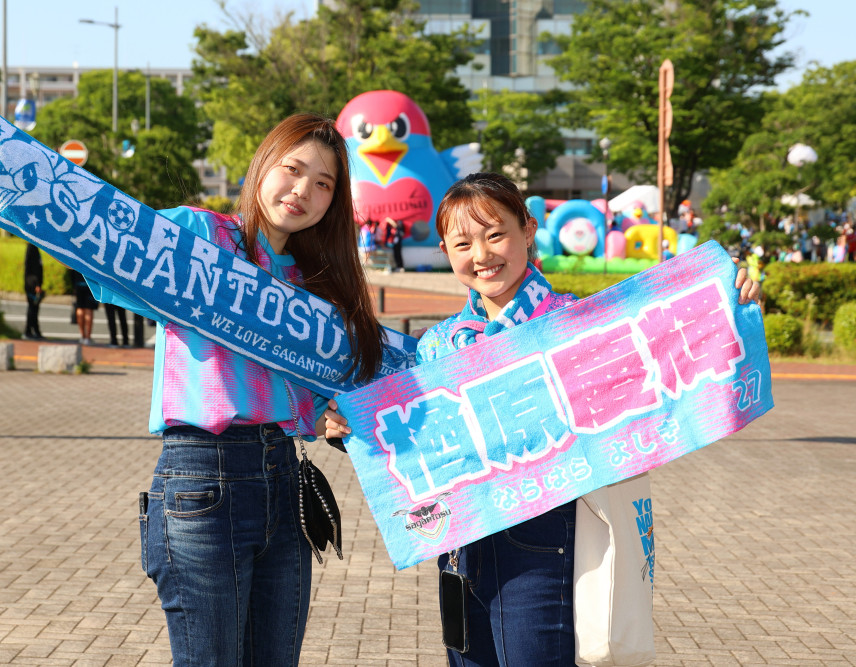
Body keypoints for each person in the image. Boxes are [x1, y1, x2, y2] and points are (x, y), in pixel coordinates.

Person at [0, 112, 386, 667]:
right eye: (293, 169)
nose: (304, 190)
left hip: (284, 479)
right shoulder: (200, 237)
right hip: (203, 480)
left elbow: (324, 388)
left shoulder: (315, 282)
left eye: (324, 183)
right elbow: (93, 227)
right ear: (262, 165)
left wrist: (329, 415)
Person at [325, 172, 759, 667]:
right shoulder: (440, 344)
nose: (481, 254)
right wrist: (348, 429)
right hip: (461, 548)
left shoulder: (580, 323)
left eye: (495, 234)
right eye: (463, 243)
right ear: (444, 249)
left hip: (545, 539)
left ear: (528, 229)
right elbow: (411, 433)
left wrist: (732, 299)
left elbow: (658, 358)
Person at [71, 268, 98, 345]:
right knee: (89, 309)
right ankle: (87, 337)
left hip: (78, 283)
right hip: (90, 283)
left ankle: (82, 336)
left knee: (80, 308)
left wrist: (73, 284)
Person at [23, 242, 43, 340]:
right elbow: (31, 268)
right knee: (32, 308)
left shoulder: (35, 247)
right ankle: (28, 331)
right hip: (32, 284)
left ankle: (35, 331)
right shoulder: (31, 247)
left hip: (33, 283)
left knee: (34, 308)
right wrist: (36, 284)